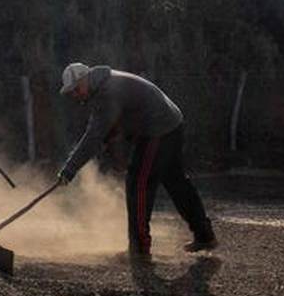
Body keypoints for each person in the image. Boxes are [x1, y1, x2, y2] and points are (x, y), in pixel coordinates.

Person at [56, 62, 217, 257]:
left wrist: (69, 170)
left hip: (159, 129)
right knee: (176, 182)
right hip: (171, 123)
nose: (75, 95)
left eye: (76, 89)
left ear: (84, 79)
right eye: (72, 92)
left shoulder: (106, 92)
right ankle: (204, 235)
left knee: (138, 184)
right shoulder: (104, 84)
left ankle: (139, 249)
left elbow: (94, 136)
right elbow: (111, 126)